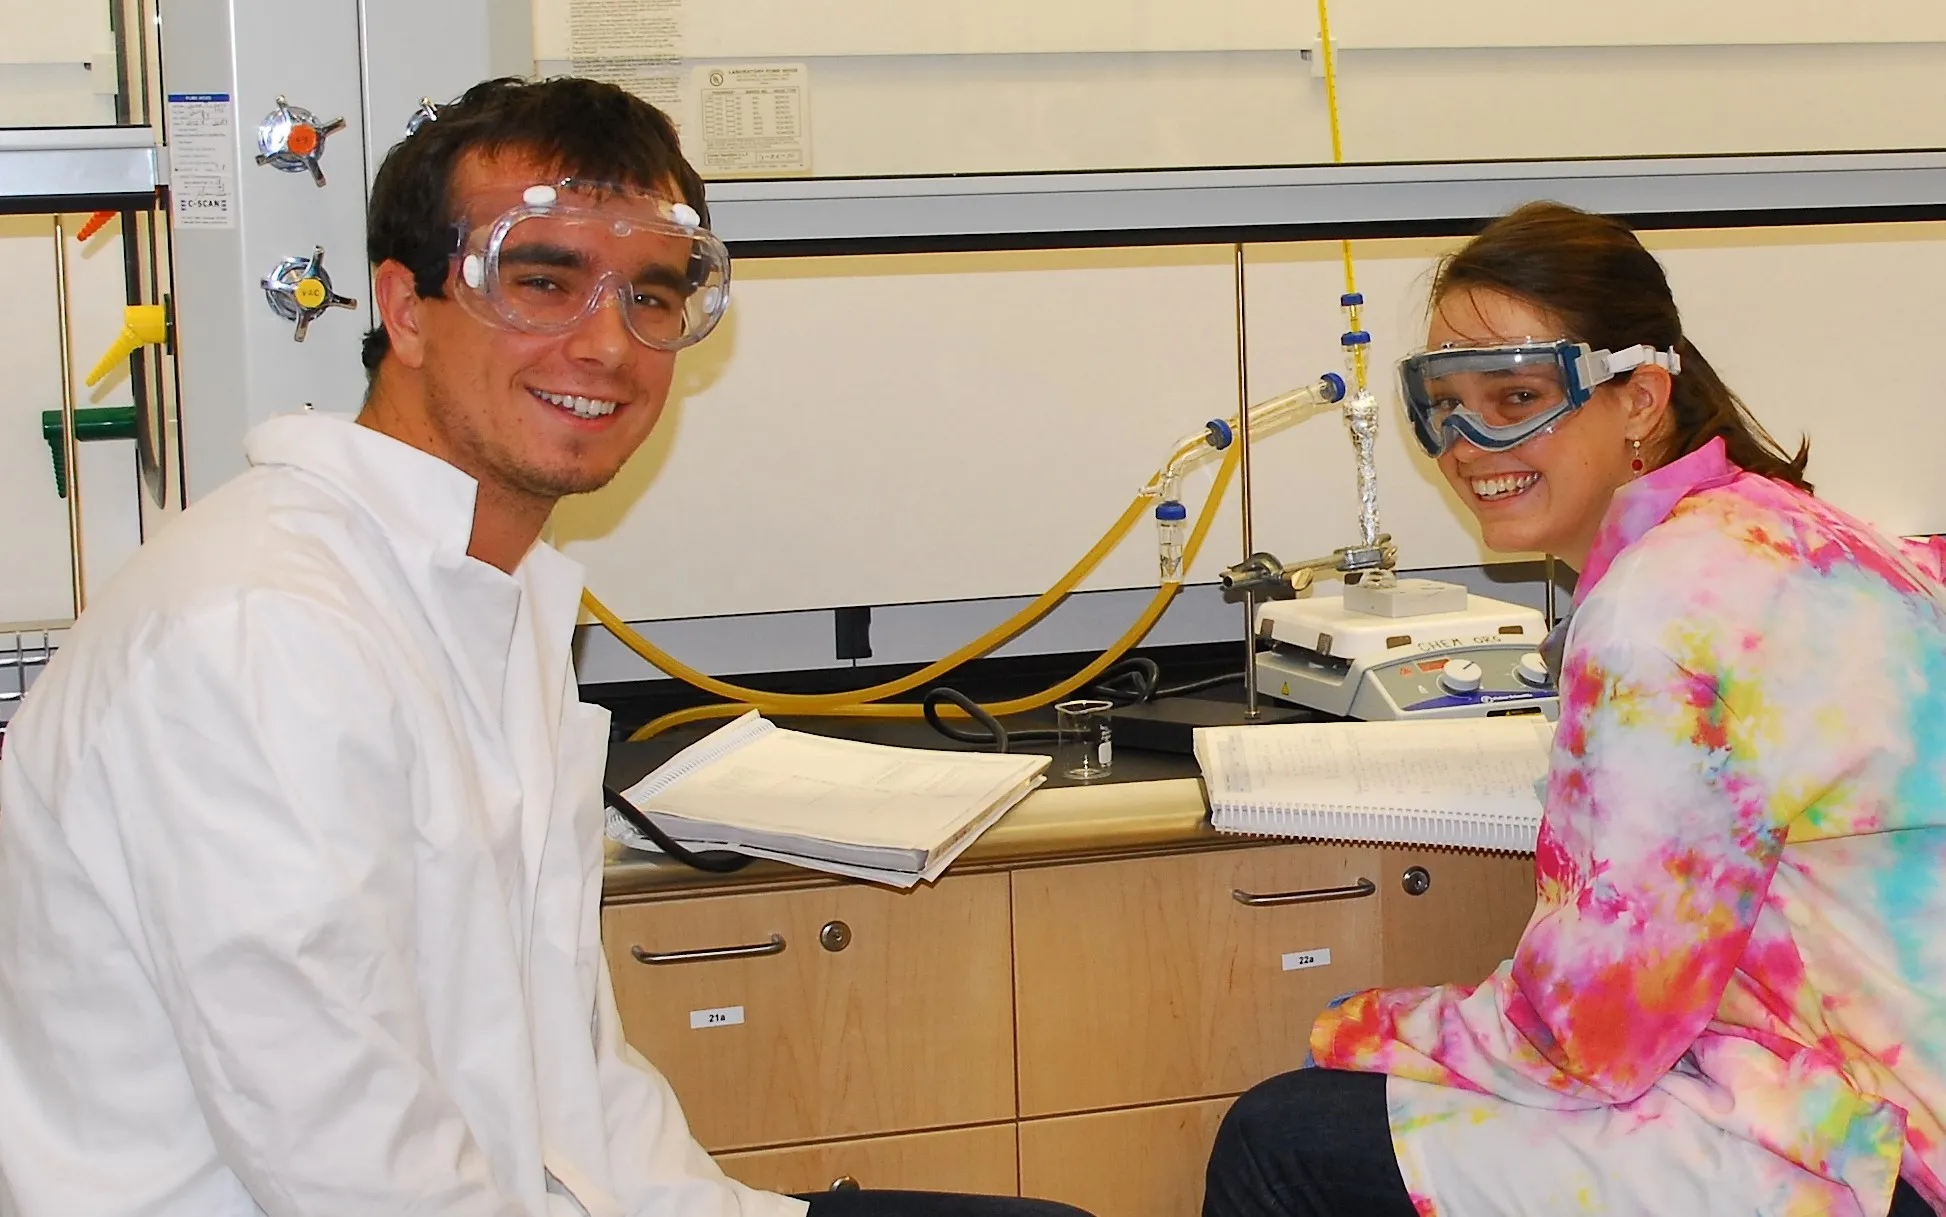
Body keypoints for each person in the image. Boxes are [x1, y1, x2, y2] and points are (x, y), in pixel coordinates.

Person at [0, 76, 1089, 1217]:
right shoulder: (260, 631)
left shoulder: (488, 597)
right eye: (542, 283)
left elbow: (575, 1091)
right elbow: (348, 1161)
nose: (606, 346)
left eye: (652, 297)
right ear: (407, 307)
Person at [1203, 202, 1946, 1217]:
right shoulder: (1807, 537)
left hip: (1870, 1151)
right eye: (1442, 403)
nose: (1467, 443)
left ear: (1637, 397)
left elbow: (1591, 1035)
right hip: (1883, 1095)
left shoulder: (1656, 607)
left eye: (1513, 396)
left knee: (1283, 1137)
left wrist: (1366, 1027)